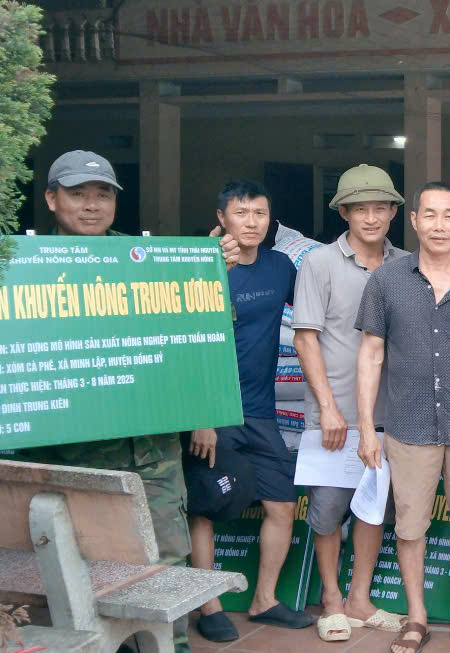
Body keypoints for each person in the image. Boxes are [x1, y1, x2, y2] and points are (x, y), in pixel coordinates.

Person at [21, 150, 239, 653]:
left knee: (166, 558)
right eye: (77, 194)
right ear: (51, 199)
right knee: (78, 564)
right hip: (71, 458)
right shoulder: (23, 266)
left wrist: (208, 273)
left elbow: (199, 339)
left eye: (102, 195)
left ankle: (169, 646)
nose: (91, 205)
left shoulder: (147, 261)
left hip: (151, 453)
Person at [354, 181, 450, 653]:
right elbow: (371, 356)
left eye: (448, 215)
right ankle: (417, 617)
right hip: (409, 425)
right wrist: (367, 428)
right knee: (410, 526)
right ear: (415, 221)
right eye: (430, 215)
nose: (439, 225)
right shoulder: (386, 282)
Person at [292, 165, 410, 642]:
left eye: (380, 207)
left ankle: (360, 599)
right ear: (343, 212)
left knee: (373, 507)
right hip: (336, 414)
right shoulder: (319, 264)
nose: (371, 217)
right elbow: (305, 339)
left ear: (394, 212)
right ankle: (331, 600)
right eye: (360, 209)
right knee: (327, 510)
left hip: (390, 414)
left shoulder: (407, 265)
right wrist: (328, 408)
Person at [187, 180, 310, 641]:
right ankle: (209, 605)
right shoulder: (202, 269)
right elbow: (186, 345)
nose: (252, 222)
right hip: (213, 410)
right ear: (222, 218)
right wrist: (201, 416)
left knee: (282, 504)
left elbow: (315, 316)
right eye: (241, 213)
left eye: (260, 213)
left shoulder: (280, 267)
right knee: (205, 507)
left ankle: (265, 600)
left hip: (260, 412)